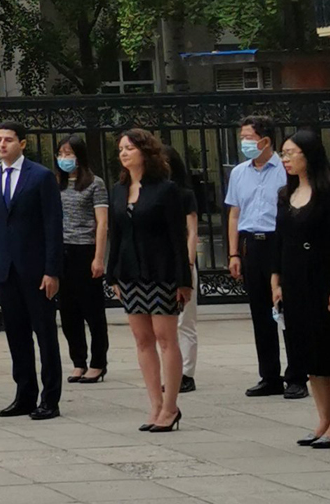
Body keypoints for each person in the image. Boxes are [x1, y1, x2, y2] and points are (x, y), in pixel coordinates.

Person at [273, 130, 330, 447]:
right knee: (309, 354)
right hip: (294, 283)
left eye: (291, 153)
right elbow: (280, 240)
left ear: (309, 156)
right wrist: (276, 279)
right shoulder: (285, 195)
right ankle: (322, 420)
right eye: (284, 153)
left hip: (324, 282)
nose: (286, 159)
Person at [106, 129, 192, 432]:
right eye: (120, 149)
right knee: (142, 340)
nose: (124, 153)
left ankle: (171, 407)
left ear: (145, 151)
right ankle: (154, 404)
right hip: (130, 273)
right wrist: (112, 273)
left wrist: (184, 280)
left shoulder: (166, 190)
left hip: (162, 272)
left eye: (129, 148)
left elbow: (176, 237)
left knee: (166, 339)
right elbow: (115, 235)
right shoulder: (118, 190)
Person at [0, 121, 64, 419]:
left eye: (8, 140)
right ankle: (24, 394)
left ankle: (50, 398)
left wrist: (52, 270)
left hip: (36, 269)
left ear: (22, 144)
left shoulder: (40, 177)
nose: (2, 144)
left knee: (44, 334)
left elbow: (53, 225)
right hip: (6, 270)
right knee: (16, 336)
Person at [226, 115, 303, 399]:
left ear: (266, 140)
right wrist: (234, 252)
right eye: (243, 137)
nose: (244, 143)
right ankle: (269, 375)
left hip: (278, 242)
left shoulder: (285, 171)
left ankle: (297, 376)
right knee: (260, 313)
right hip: (251, 245)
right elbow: (234, 213)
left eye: (249, 137)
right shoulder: (239, 173)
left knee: (287, 309)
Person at [56, 135, 110, 385]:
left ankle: (98, 363)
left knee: (93, 311)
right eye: (61, 153)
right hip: (62, 250)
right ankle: (78, 361)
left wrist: (99, 257)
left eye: (69, 153)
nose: (65, 158)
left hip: (85, 249)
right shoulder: (56, 183)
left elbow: (102, 222)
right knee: (68, 312)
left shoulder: (94, 184)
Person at [165, 145, 202, 395]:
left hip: (181, 261)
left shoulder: (184, 194)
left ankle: (187, 373)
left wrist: (188, 265)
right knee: (164, 324)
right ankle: (170, 371)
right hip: (158, 262)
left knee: (184, 321)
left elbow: (192, 232)